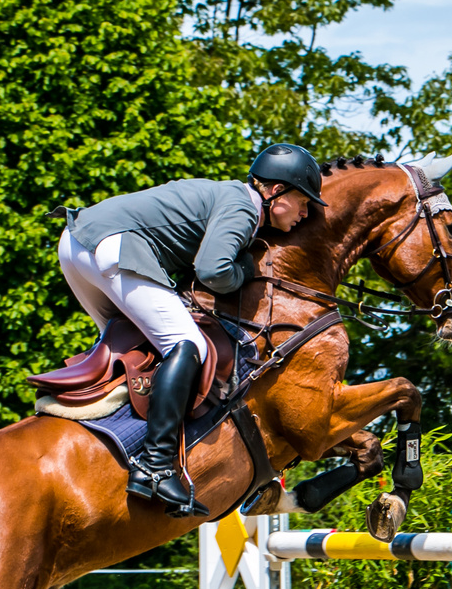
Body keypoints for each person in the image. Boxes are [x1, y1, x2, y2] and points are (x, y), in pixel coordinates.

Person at [54, 144, 325, 518]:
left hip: (75, 244)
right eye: (303, 200)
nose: (306, 212)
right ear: (275, 190)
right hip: (113, 246)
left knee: (136, 350)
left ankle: (114, 443)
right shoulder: (245, 206)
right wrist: (245, 272)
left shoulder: (225, 195)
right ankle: (155, 465)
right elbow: (213, 271)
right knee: (188, 345)